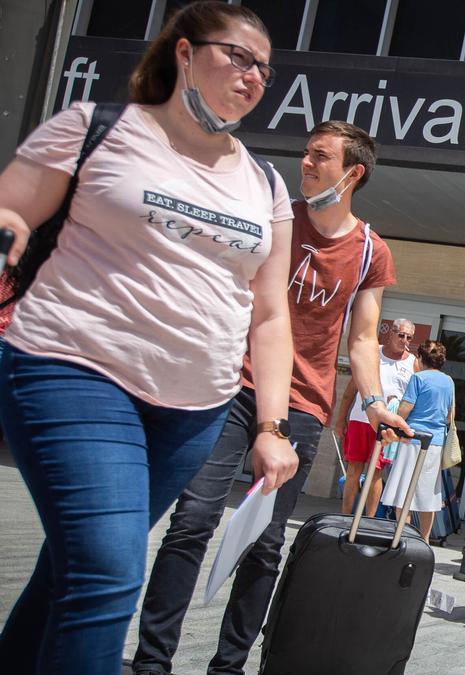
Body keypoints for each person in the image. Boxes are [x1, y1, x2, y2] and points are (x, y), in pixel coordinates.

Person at [0, 4, 295, 672]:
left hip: (192, 411)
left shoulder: (264, 185)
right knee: (107, 570)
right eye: (239, 56)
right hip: (73, 367)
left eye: (265, 70)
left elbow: (270, 313)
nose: (253, 75)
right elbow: (13, 205)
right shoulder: (97, 129)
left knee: (74, 570)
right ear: (184, 52)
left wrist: (271, 424)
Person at [132, 115, 404, 674]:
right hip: (231, 387)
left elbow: (363, 339)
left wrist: (374, 402)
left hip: (303, 405)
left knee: (265, 542)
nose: (305, 162)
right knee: (192, 521)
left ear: (352, 173)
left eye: (320, 156)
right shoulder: (271, 216)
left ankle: (227, 667)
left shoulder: (371, 250)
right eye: (306, 152)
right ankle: (151, 663)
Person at [334, 318, 418, 515]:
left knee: (375, 473)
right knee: (353, 471)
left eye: (409, 337)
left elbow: (415, 399)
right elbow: (350, 391)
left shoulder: (413, 363)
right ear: (391, 334)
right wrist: (340, 420)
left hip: (386, 427)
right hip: (359, 419)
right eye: (401, 335)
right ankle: (345, 516)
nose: (404, 340)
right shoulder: (373, 354)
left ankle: (369, 520)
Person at [380, 340, 455, 542]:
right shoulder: (449, 381)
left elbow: (405, 408)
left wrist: (392, 408)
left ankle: (402, 536)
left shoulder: (418, 378)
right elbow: (450, 415)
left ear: (421, 358)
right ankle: (425, 539)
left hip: (413, 439)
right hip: (436, 442)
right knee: (428, 495)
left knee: (404, 490)